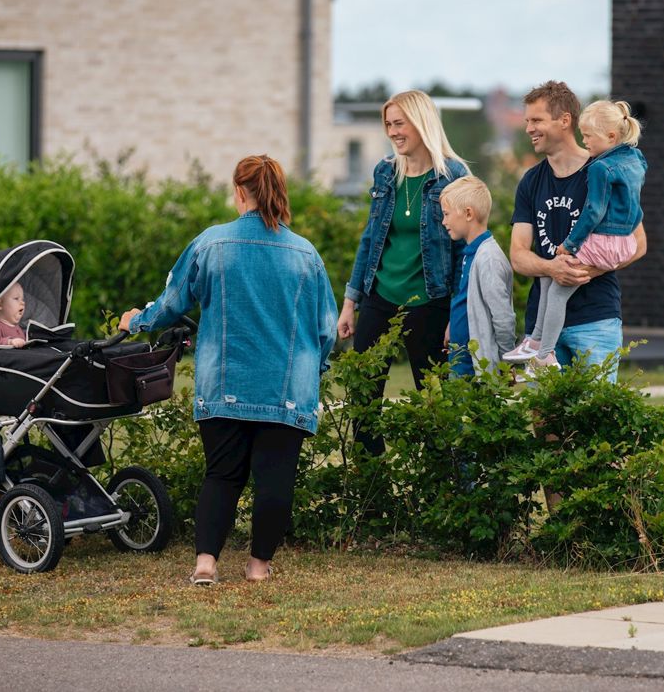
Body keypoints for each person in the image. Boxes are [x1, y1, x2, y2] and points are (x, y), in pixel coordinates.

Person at [119, 155, 337, 586]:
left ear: (240, 192)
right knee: (274, 481)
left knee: (222, 474)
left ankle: (205, 564)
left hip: (224, 384)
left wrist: (136, 321)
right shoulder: (305, 254)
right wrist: (314, 368)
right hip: (285, 388)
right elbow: (326, 329)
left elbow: (172, 302)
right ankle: (258, 569)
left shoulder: (211, 244)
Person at [338, 90, 469, 448]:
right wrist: (350, 303)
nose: (393, 132)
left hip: (430, 302)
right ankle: (372, 492)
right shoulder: (385, 172)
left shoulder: (454, 175)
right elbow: (370, 240)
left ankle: (437, 490)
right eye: (388, 124)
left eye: (400, 123)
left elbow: (463, 251)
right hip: (380, 298)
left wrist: (454, 316)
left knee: (433, 404)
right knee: (362, 402)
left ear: (421, 123)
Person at [507, 81, 646, 382]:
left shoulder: (607, 170)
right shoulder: (530, 181)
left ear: (565, 120)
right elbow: (518, 255)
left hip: (595, 320)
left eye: (537, 120)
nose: (529, 128)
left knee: (594, 419)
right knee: (545, 423)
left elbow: (638, 243)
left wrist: (581, 272)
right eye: (527, 120)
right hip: (541, 327)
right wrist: (552, 268)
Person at [439, 176, 516, 377]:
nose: (443, 221)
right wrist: (452, 326)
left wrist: (506, 362)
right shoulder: (469, 253)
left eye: (446, 214)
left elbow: (503, 317)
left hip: (475, 367)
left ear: (468, 214)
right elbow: (466, 300)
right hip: (460, 360)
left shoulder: (488, 258)